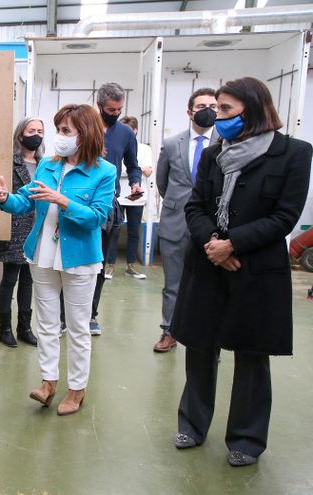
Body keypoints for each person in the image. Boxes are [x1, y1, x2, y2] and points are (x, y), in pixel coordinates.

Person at [171, 77, 311, 467]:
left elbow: (285, 215)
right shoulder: (214, 154)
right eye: (216, 108)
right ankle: (192, 424)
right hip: (209, 263)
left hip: (256, 269)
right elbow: (195, 207)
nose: (217, 116)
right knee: (200, 347)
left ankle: (247, 439)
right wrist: (213, 246)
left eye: (226, 109)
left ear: (252, 109)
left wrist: (234, 244)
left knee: (251, 355)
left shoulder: (294, 154)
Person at [0, 104, 116, 416]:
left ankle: (77, 389)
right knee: (46, 323)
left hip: (79, 259)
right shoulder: (48, 164)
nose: (58, 136)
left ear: (84, 134)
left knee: (76, 327)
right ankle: (48, 383)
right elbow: (26, 202)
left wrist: (63, 200)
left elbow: (98, 217)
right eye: (58, 129)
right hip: (42, 254)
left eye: (65, 131)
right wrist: (7, 199)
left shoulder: (104, 171)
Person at [153, 88, 218, 353]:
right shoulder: (171, 144)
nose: (208, 111)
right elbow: (162, 182)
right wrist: (180, 205)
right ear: (190, 111)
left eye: (214, 106)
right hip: (176, 222)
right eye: (201, 105)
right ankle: (169, 331)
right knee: (173, 284)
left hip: (213, 225)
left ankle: (208, 336)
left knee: (211, 284)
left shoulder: (226, 143)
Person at [87, 83, 141, 335]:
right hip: (80, 205)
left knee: (98, 264)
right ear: (100, 106)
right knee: (74, 265)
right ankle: (66, 316)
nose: (116, 113)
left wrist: (135, 182)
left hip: (109, 207)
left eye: (120, 109)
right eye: (111, 109)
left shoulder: (127, 134)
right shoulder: (85, 127)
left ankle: (91, 315)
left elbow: (132, 165)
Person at [0, 117, 43, 348]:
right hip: (13, 227)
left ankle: (24, 327)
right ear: (20, 135)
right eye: (31, 130)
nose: (36, 134)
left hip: (37, 228)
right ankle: (4, 328)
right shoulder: (9, 160)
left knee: (28, 280)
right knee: (10, 278)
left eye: (40, 130)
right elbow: (2, 194)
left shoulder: (45, 164)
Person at [104, 116, 154, 280]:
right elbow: (126, 167)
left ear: (134, 131)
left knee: (134, 231)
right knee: (114, 231)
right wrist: (136, 168)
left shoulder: (144, 148)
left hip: (136, 196)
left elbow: (145, 170)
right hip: (117, 196)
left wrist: (134, 173)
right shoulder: (113, 144)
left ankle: (130, 266)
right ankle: (109, 266)